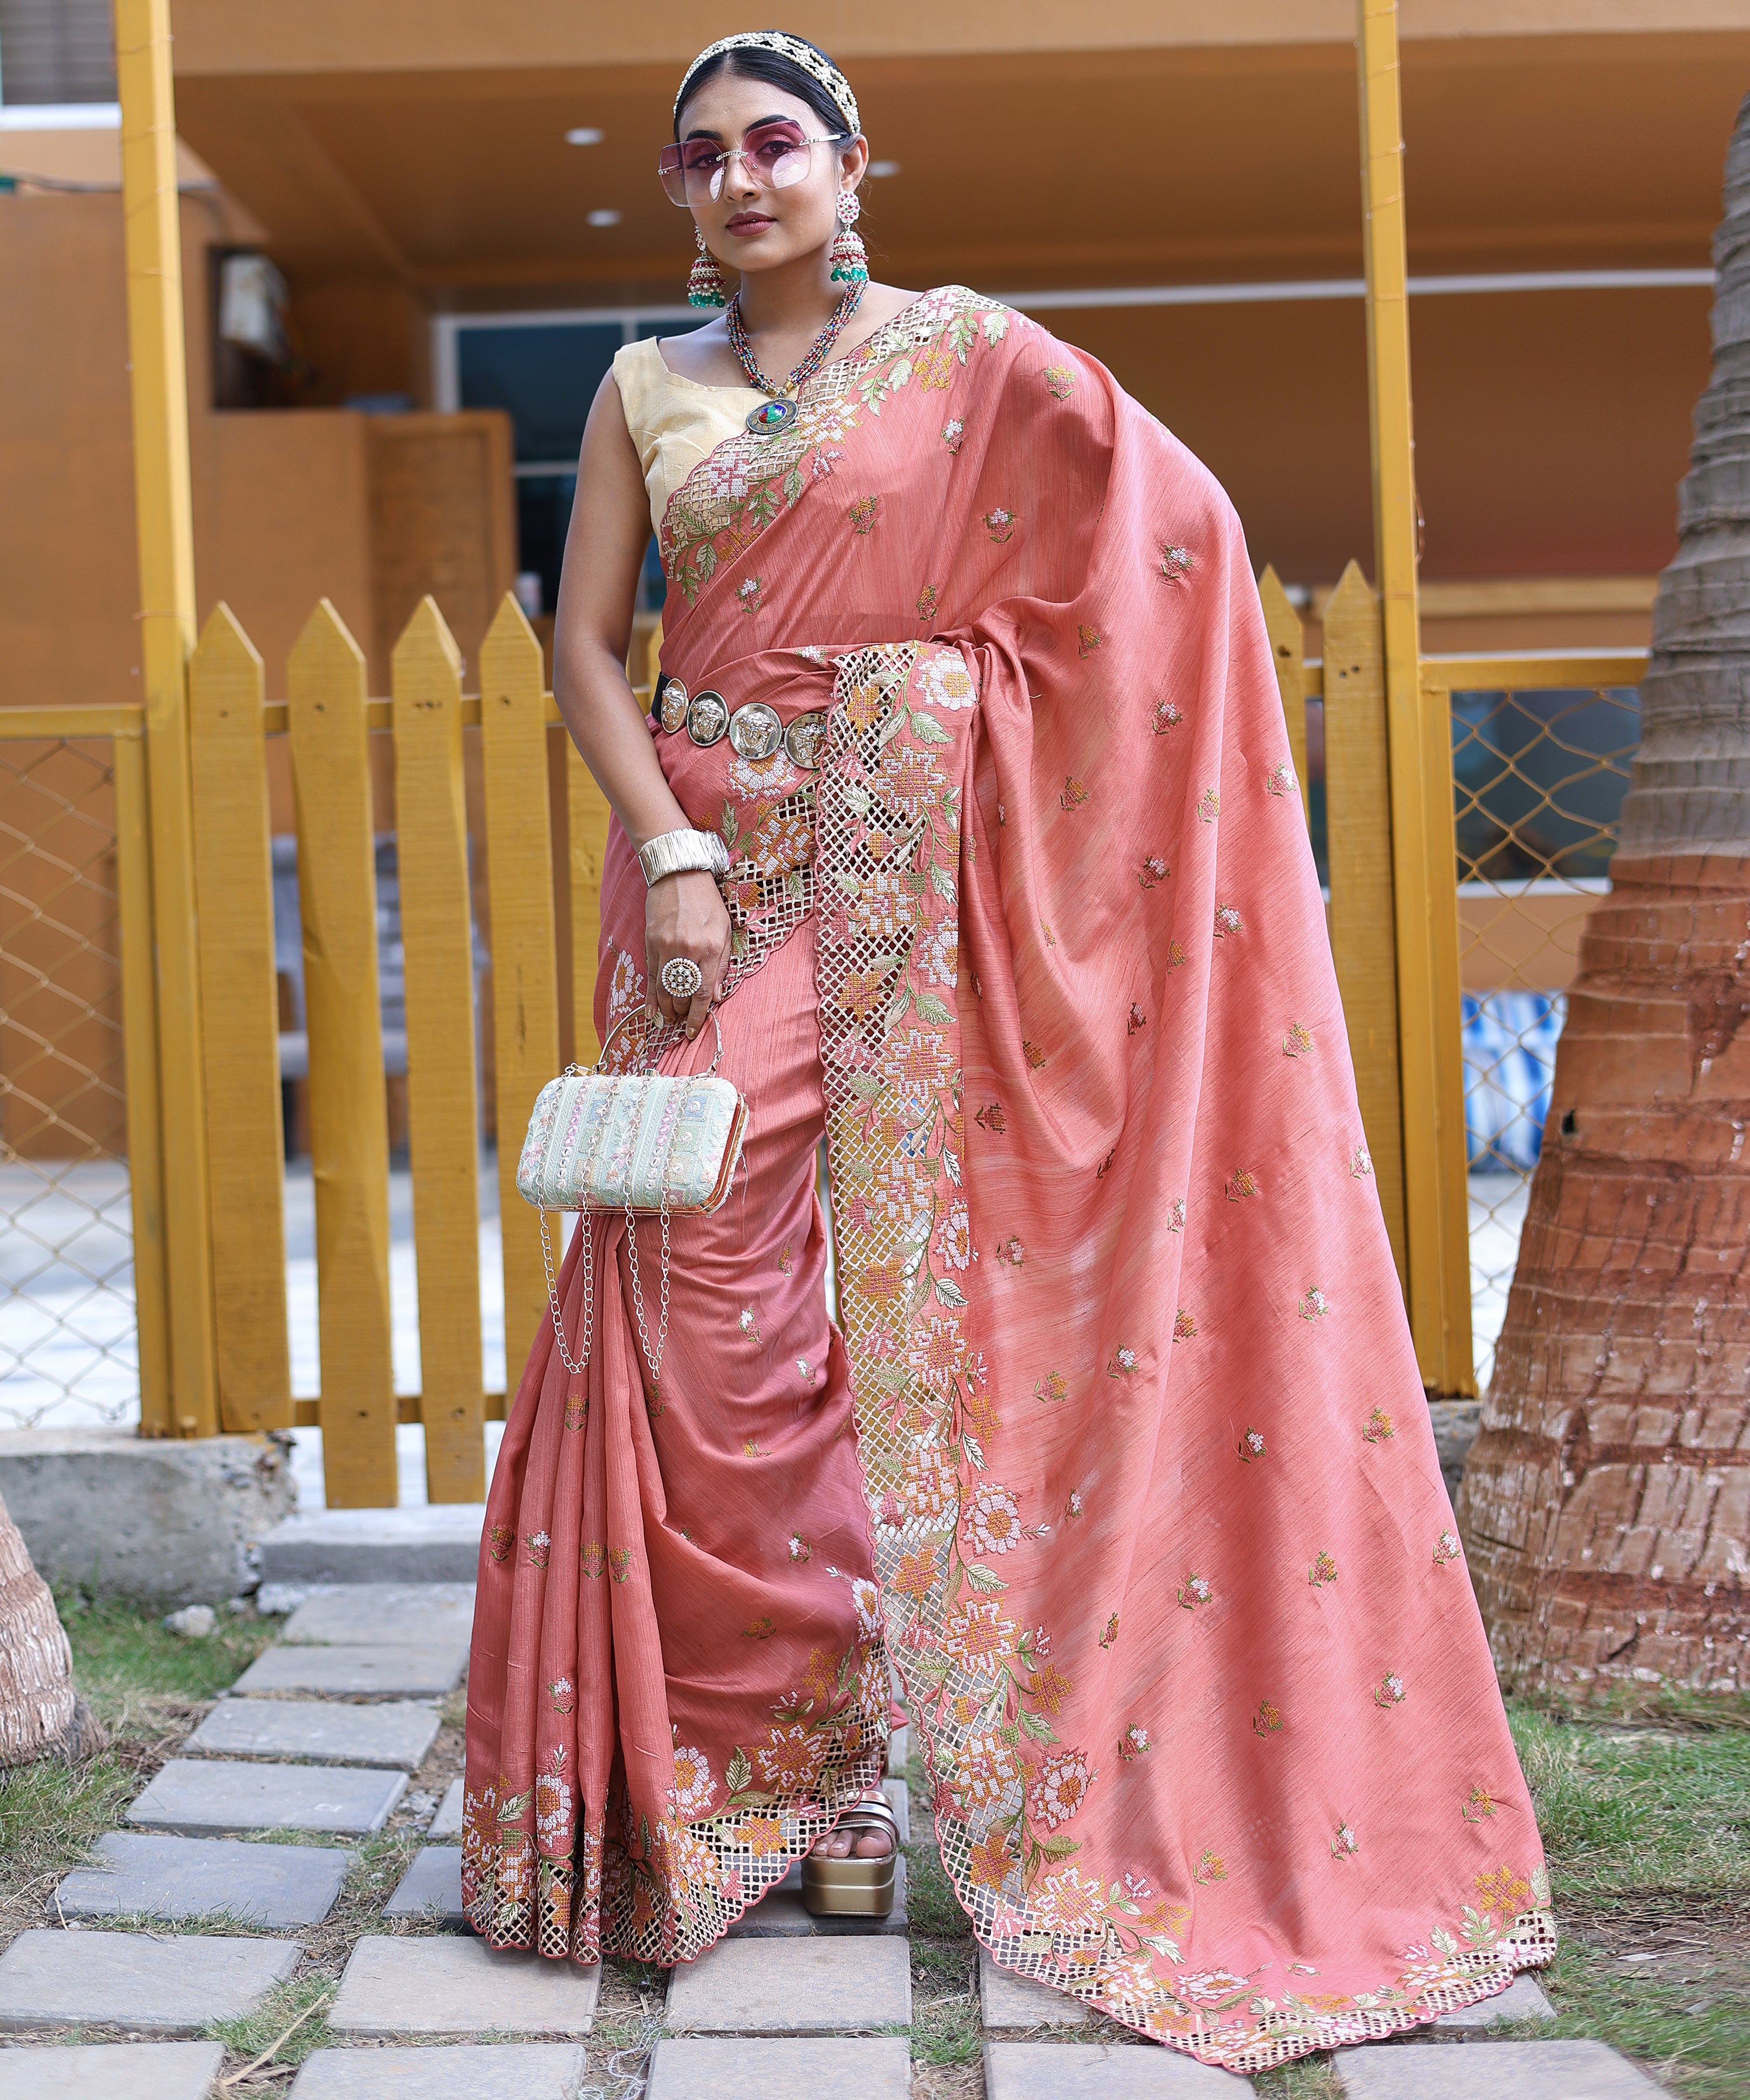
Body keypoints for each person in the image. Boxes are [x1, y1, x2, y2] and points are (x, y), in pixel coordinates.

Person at [463, 30, 1555, 2071]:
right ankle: (727, 1777)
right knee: (702, 1314)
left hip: (919, 885)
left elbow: (1174, 549)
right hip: (707, 893)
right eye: (700, 157)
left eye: (775, 143)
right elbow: (584, 648)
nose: (738, 180)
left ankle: (864, 1777)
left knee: (909, 1319)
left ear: (857, 164)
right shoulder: (641, 391)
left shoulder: (977, 357)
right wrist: (679, 847)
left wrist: (942, 724)